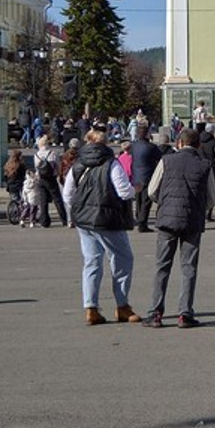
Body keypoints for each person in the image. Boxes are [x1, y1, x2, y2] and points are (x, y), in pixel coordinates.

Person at [62, 127, 140, 325]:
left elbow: (68, 194)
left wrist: (78, 210)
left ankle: (91, 308)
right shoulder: (111, 163)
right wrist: (135, 189)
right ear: (105, 144)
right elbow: (124, 192)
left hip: (84, 221)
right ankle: (122, 305)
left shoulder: (78, 164)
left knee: (92, 262)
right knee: (122, 260)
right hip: (108, 218)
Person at [143, 127, 213, 327]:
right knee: (188, 267)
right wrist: (198, 208)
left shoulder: (166, 161)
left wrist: (164, 204)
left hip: (167, 220)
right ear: (198, 145)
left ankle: (155, 312)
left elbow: (152, 190)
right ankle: (185, 313)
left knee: (162, 266)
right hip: (192, 221)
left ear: (179, 143)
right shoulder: (204, 165)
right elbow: (211, 198)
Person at [129, 124, 162, 232]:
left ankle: (139, 219)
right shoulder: (151, 147)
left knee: (138, 200)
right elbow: (159, 158)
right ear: (147, 134)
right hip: (147, 176)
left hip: (136, 176)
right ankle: (142, 223)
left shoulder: (133, 146)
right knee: (146, 201)